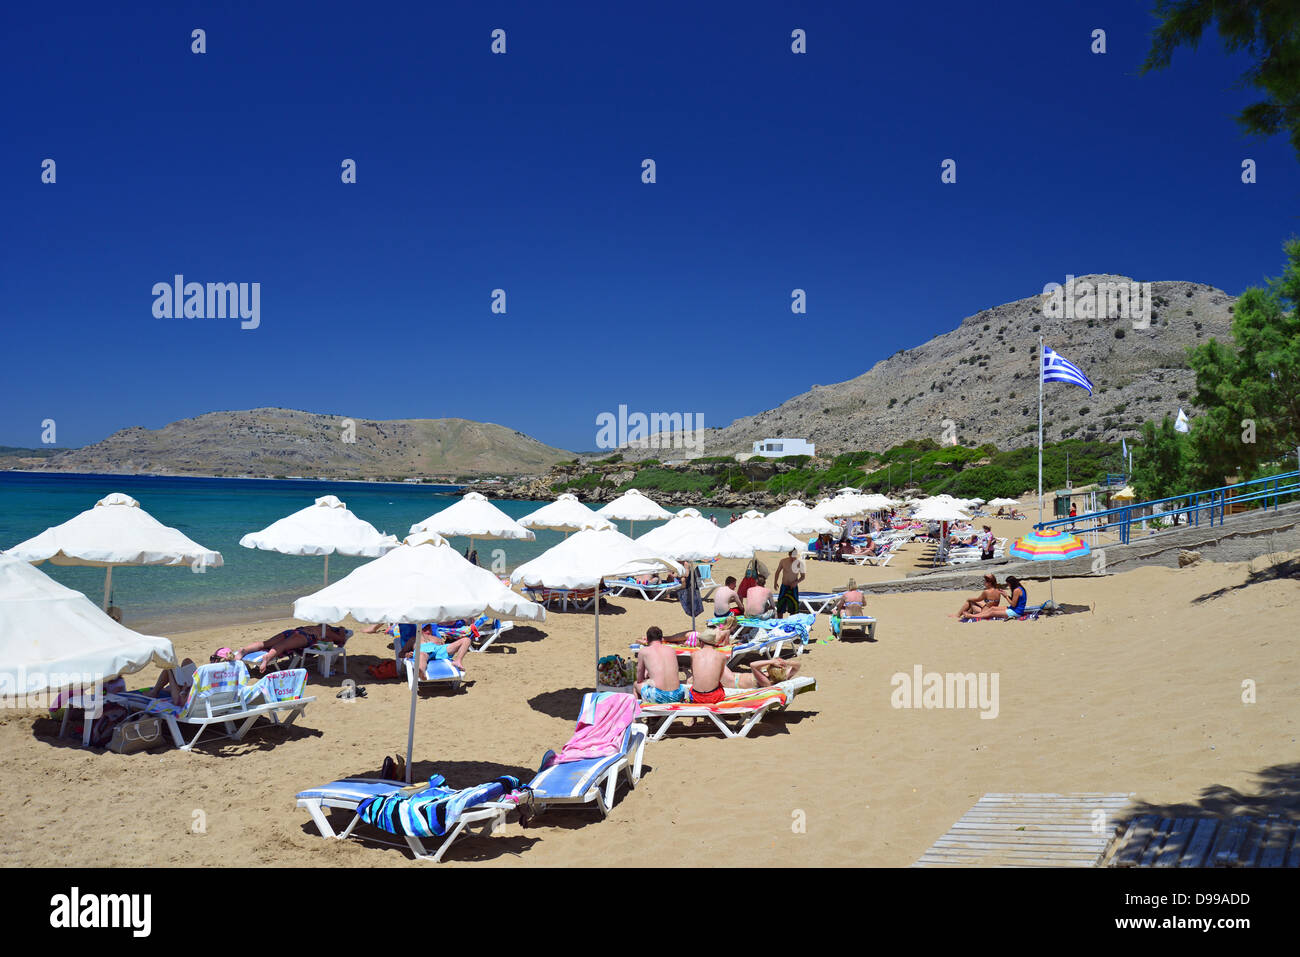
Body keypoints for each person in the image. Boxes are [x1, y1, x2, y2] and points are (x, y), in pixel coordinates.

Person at [232, 624, 350, 673]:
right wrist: (341, 631)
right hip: (305, 637)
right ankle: (267, 658)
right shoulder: (327, 631)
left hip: (295, 631)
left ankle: (244, 650)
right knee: (282, 646)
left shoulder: (315, 627)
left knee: (266, 643)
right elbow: (340, 640)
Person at [636, 626, 685, 703]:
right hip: (677, 695)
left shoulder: (643, 651)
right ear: (661, 639)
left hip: (658, 696)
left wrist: (647, 676)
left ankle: (639, 713)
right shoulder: (671, 650)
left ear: (647, 640)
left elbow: (639, 678)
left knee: (636, 684)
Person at [402, 623, 473, 676]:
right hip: (423, 649)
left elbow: (444, 645)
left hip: (439, 650)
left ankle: (458, 661)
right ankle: (421, 672)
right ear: (419, 630)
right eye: (425, 629)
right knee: (422, 656)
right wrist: (407, 654)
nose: (428, 630)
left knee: (466, 640)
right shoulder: (414, 639)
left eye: (429, 628)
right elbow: (401, 653)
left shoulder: (437, 637)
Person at [687, 626, 729, 704]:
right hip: (714, 698)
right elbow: (719, 677)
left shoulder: (694, 655)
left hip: (696, 697)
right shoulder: (722, 656)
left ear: (701, 642)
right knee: (719, 686)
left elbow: (694, 677)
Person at [723, 657, 801, 690]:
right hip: (734, 677)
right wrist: (785, 662)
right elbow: (798, 666)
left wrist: (772, 661)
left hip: (732, 682)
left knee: (717, 663)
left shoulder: (766, 682)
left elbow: (753, 665)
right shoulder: (782, 677)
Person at [774, 548, 805, 618]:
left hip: (793, 587)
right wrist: (775, 582)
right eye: (791, 556)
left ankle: (791, 622)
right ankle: (780, 622)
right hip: (784, 586)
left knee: (793, 608)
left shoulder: (800, 563)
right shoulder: (783, 561)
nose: (793, 558)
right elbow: (777, 572)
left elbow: (803, 577)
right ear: (789, 555)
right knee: (780, 607)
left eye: (794, 556)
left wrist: (796, 582)